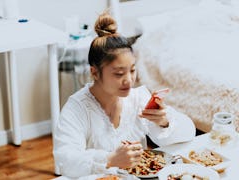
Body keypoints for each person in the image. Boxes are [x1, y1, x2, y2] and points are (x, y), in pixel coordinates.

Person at [53, 11, 196, 178]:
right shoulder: (77, 108)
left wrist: (164, 122)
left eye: (132, 70)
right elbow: (66, 162)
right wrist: (110, 159)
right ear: (95, 72)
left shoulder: (138, 98)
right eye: (119, 74)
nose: (129, 80)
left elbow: (189, 133)